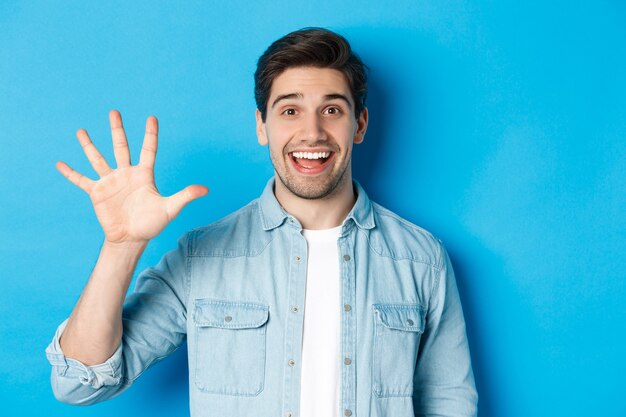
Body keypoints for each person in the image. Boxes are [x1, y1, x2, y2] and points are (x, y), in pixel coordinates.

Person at [46, 27, 478, 417]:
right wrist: (121, 246)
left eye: (332, 110)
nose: (312, 133)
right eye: (290, 111)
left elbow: (449, 403)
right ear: (262, 125)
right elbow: (77, 384)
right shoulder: (201, 257)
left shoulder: (423, 261)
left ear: (359, 125)